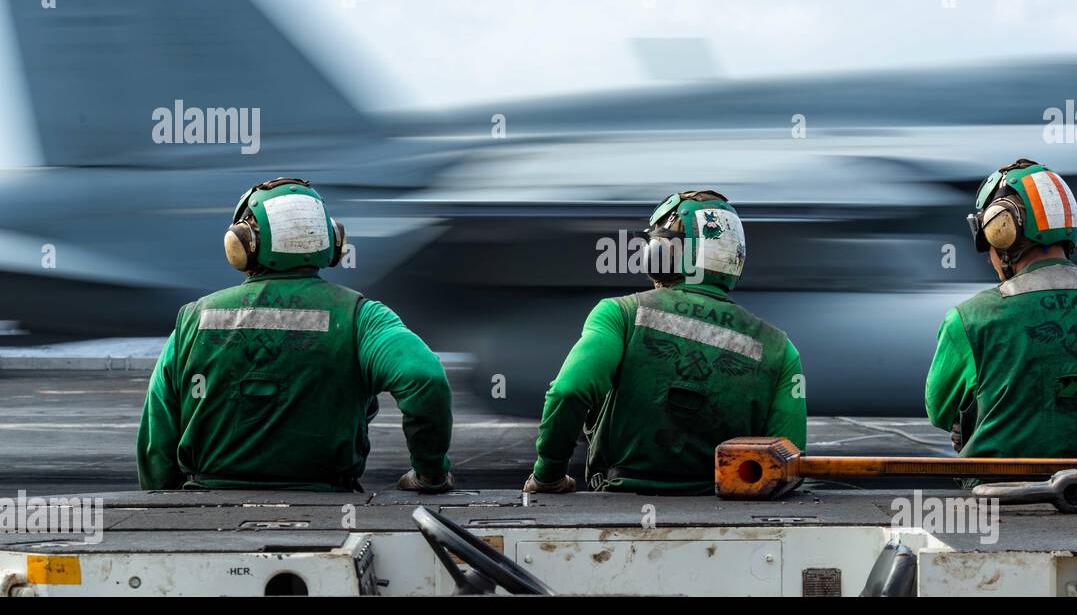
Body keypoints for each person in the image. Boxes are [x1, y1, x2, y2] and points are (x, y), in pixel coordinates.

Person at [136, 177, 455, 492]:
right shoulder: (362, 317)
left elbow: (157, 439)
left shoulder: (194, 318)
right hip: (328, 506)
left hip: (204, 503)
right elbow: (425, 378)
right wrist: (430, 472)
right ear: (332, 241)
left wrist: (163, 501)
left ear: (241, 244)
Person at [523, 190, 807, 494]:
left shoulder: (620, 314)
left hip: (621, 502)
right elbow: (789, 463)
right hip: (721, 509)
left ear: (662, 253)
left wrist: (548, 476)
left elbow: (570, 391)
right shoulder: (780, 350)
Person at [925, 159, 1077, 458]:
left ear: (1002, 231)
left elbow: (940, 411)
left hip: (995, 492)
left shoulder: (969, 319)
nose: (989, 258)